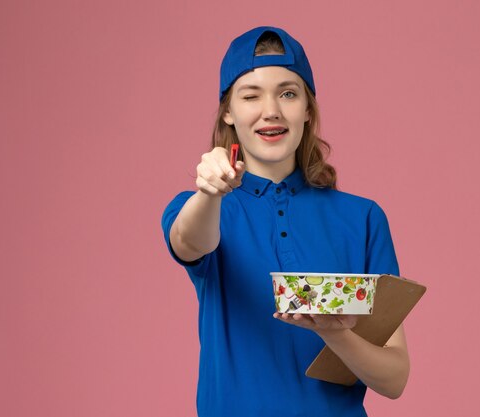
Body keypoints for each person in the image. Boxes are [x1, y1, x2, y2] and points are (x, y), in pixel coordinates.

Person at [161, 26, 410, 417]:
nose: (271, 110)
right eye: (251, 95)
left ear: (307, 110)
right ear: (228, 111)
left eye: (288, 93)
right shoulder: (200, 208)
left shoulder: (363, 219)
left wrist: (334, 333)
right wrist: (209, 192)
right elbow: (189, 242)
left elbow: (394, 378)